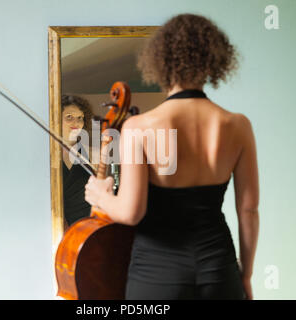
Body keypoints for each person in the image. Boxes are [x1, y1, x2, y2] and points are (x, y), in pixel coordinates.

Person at [84, 13, 259, 300]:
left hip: (157, 274)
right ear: (212, 60)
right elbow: (248, 211)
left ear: (161, 62)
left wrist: (100, 195)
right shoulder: (238, 125)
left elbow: (130, 212)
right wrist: (247, 276)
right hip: (218, 269)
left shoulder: (139, 128)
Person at [61, 94, 95, 228]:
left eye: (80, 118)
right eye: (69, 117)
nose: (76, 123)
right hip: (58, 224)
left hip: (86, 224)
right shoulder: (47, 154)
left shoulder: (91, 153)